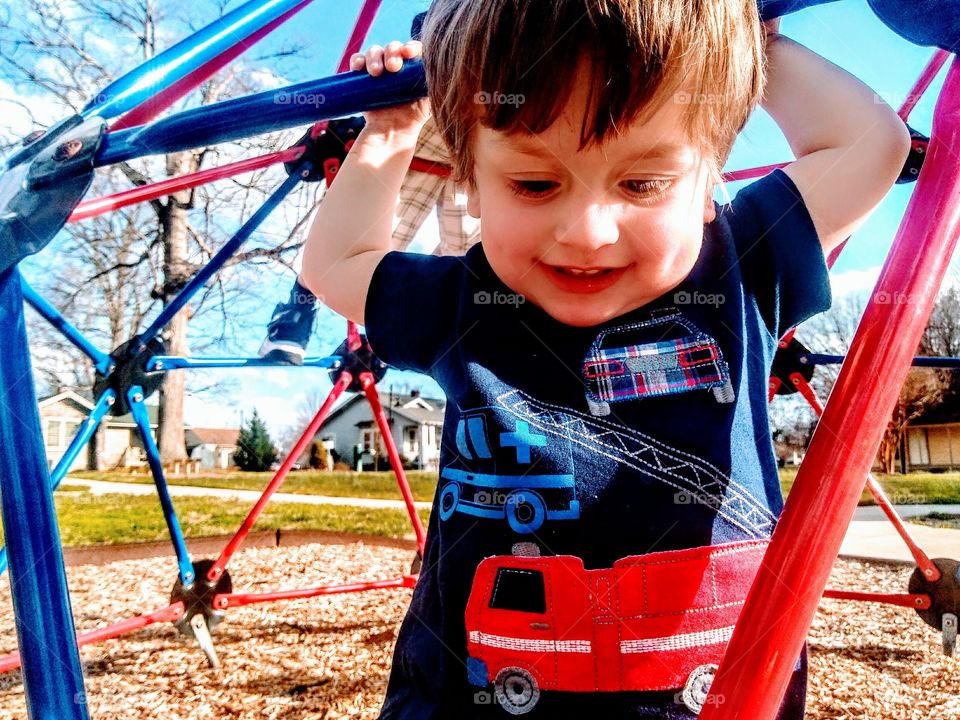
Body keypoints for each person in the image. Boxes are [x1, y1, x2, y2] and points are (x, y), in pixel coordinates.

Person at [299, 0, 910, 717]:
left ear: (710, 177)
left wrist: (740, 47)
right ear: (471, 178)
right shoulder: (463, 301)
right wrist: (390, 134)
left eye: (642, 184)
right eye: (534, 184)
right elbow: (334, 264)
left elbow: (871, 144)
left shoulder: (740, 268)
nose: (587, 233)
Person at [258, 13, 478, 365]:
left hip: (480, 157)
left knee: (468, 264)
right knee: (363, 248)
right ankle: (299, 309)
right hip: (421, 133)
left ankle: (393, 329)